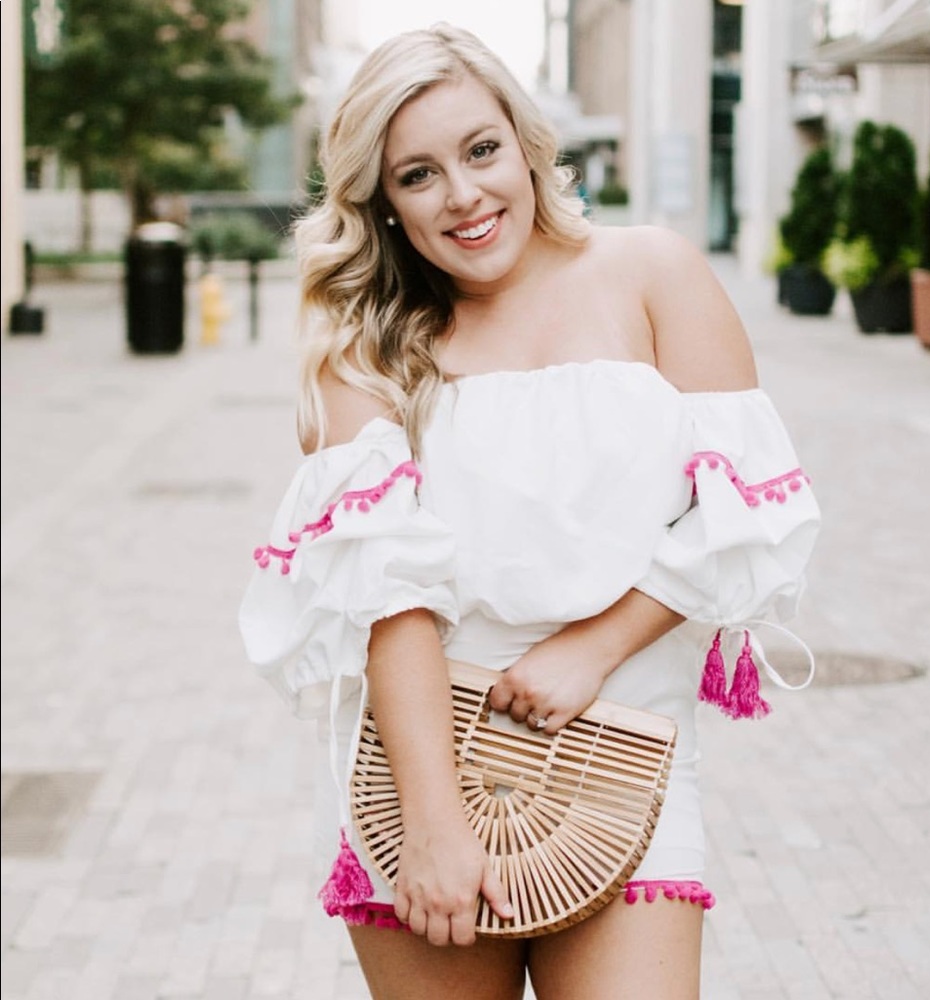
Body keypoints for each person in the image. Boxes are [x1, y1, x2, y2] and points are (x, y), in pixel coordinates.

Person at [239, 23, 820, 1000]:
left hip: (624, 741)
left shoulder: (654, 273)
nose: (463, 196)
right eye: (417, 174)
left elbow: (746, 519)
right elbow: (388, 600)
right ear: (381, 201)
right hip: (418, 766)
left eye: (479, 150)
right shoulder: (366, 346)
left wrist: (593, 645)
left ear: (524, 139)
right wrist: (432, 824)